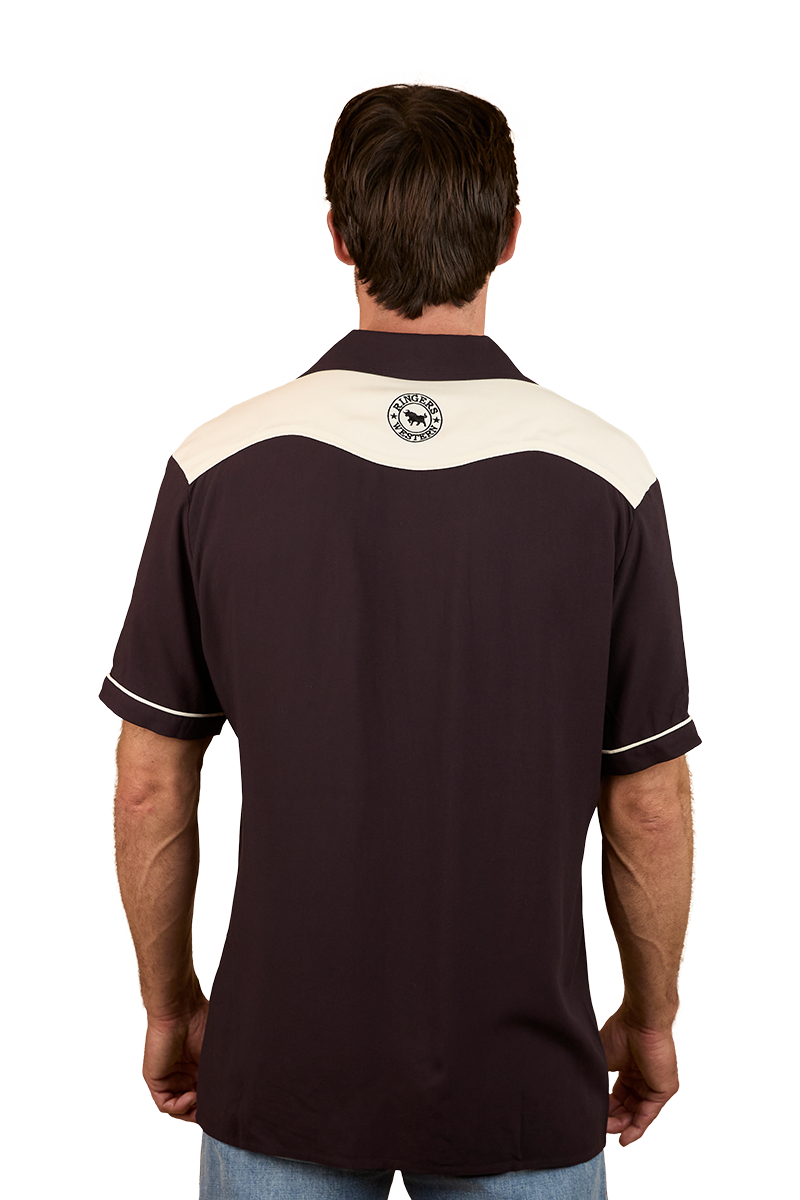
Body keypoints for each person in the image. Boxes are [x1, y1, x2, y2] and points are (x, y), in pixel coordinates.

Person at [101, 83, 700, 1199]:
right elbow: (649, 804)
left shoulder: (217, 467)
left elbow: (148, 786)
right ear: (508, 239)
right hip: (523, 1080)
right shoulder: (607, 478)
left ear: (336, 239)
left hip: (277, 1066)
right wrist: (651, 1023)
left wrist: (168, 1007)